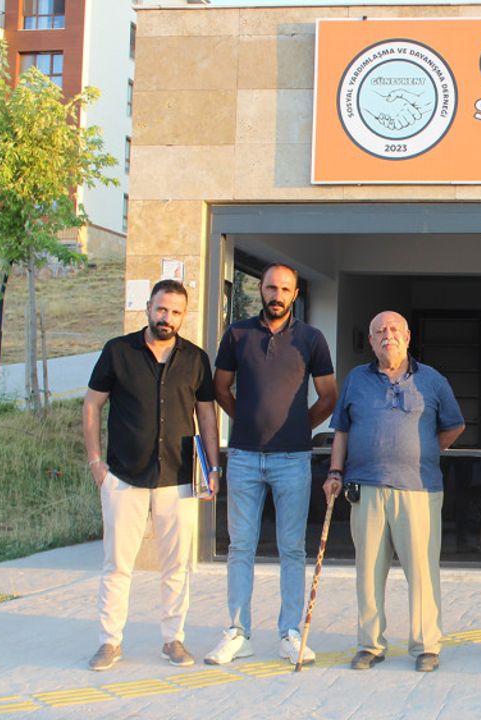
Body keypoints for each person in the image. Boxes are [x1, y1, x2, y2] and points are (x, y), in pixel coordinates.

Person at [204, 263, 337, 667]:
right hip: (244, 457)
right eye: (271, 287)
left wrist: (298, 426)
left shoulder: (311, 339)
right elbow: (220, 388)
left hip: (292, 459)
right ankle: (237, 633)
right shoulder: (237, 334)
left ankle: (290, 633)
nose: (277, 295)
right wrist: (243, 419)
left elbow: (329, 396)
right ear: (260, 289)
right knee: (240, 546)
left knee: (292, 548)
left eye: (285, 289)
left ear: (295, 294)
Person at [82, 279, 219, 671]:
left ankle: (173, 639)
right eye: (161, 309)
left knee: (176, 567)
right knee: (117, 565)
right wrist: (96, 462)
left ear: (184, 315)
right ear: (148, 307)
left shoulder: (196, 359)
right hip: (124, 476)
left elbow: (207, 414)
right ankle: (109, 642)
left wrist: (213, 468)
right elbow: (91, 404)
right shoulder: (118, 351)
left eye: (175, 312)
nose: (167, 318)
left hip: (178, 477)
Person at [323, 311, 465, 673]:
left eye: (394, 329)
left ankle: (426, 645)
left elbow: (454, 425)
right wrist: (335, 471)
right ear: (371, 341)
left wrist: (425, 449)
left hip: (418, 490)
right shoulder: (356, 380)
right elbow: (341, 430)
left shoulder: (432, 380)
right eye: (380, 331)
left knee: (422, 572)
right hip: (366, 489)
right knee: (368, 572)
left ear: (407, 337)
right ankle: (370, 644)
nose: (388, 335)